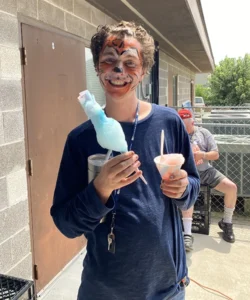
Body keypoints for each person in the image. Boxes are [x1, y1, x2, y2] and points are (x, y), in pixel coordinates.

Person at [51, 21, 200, 300]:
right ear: (97, 67)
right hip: (104, 291)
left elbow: (193, 187)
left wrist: (184, 189)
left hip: (166, 288)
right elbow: (65, 223)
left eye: (130, 62)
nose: (119, 71)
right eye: (110, 60)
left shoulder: (169, 123)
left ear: (143, 71)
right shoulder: (81, 140)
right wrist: (100, 189)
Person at [178, 109, 237, 251]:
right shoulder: (177, 134)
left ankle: (227, 223)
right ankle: (187, 234)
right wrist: (188, 158)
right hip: (187, 173)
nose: (185, 129)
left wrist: (201, 155)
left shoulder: (204, 133)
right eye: (182, 125)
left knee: (231, 187)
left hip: (206, 171)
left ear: (192, 122)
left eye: (187, 125)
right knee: (189, 191)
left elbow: (215, 154)